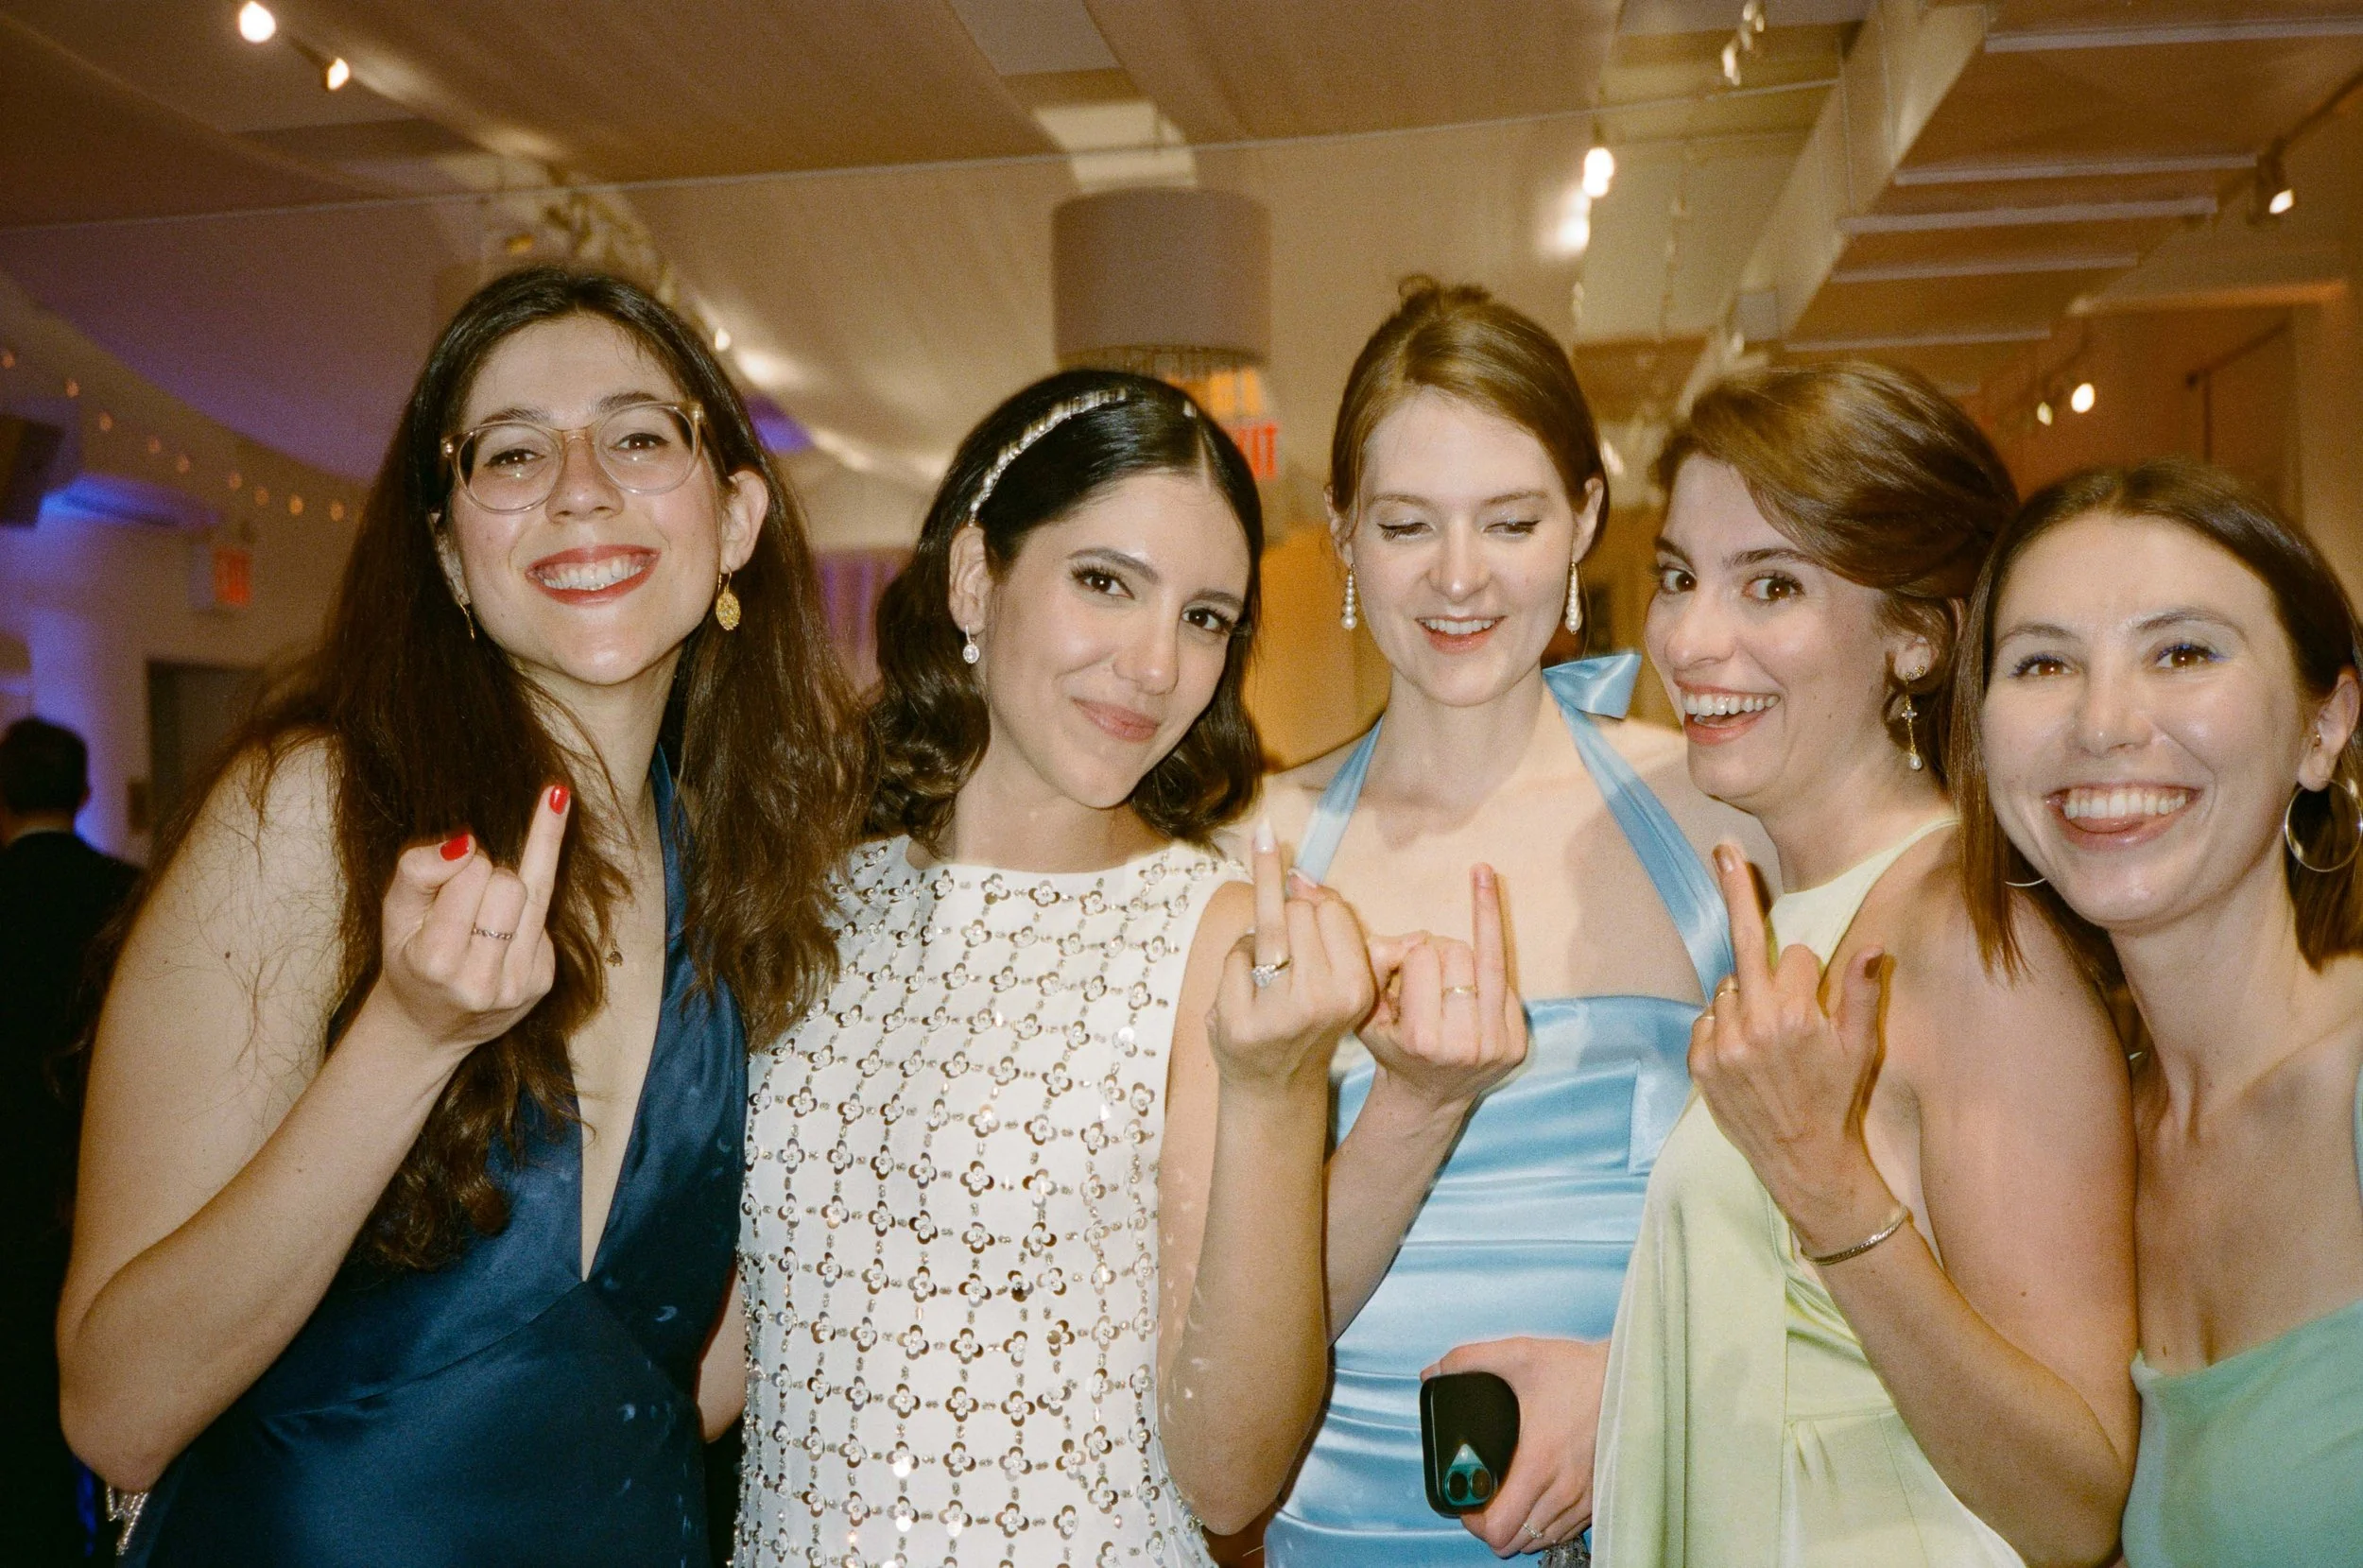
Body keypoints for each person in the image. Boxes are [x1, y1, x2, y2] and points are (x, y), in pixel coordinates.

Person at [59, 267, 863, 1565]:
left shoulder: (739, 884)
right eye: (513, 454)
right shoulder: (314, 811)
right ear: (449, 552)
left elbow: (667, 1381)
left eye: (639, 436)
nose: (580, 485)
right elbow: (118, 1409)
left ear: (737, 517)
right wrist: (409, 1032)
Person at [736, 369, 1384, 1568]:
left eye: (1204, 618)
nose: (1155, 666)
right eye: (1105, 583)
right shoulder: (806, 902)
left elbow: (1231, 1474)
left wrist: (1277, 1088)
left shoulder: (1220, 941)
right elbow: (727, 1360)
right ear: (976, 576)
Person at [1593, 361, 2139, 1568]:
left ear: (1915, 636)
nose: (1688, 637)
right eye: (1678, 576)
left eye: (1770, 585)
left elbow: (2074, 1500)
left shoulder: (1966, 942)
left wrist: (1823, 1183)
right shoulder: (1803, 919)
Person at [1254, 280, 1764, 1564]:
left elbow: (1840, 1211)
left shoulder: (1716, 810)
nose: (1461, 574)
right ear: (1345, 534)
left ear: (1586, 515)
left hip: (1665, 1500)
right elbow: (1215, 1308)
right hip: (1340, 1525)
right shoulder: (1251, 851)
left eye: (1513, 518)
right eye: (1409, 523)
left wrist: (1651, 1384)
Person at [1957, 460, 2363, 1567]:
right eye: (2042, 662)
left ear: (2323, 729)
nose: (2100, 723)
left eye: (2180, 652)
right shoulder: (2085, 1136)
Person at [0, 717, 140, 1565]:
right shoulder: (132, 895)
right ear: (85, 792)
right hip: (107, 1179)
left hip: (10, 1190)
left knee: (21, 1407)